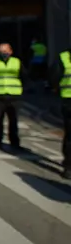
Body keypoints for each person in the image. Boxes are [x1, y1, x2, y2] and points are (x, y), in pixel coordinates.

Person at [0, 43, 26, 150]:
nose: (4, 53)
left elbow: (24, 76)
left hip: (13, 95)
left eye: (5, 51)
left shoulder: (17, 62)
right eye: (1, 51)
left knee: (13, 121)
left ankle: (14, 143)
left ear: (11, 51)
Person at [50, 48, 71, 179]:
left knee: (70, 136)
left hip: (68, 101)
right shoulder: (63, 58)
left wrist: (57, 90)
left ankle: (68, 167)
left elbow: (54, 78)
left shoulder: (64, 57)